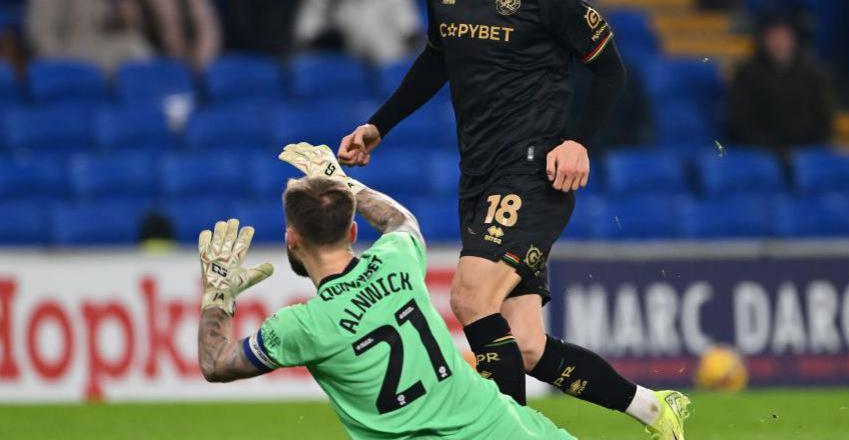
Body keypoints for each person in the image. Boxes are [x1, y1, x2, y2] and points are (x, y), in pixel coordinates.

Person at [337, 0, 689, 438]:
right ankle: (653, 409)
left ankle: (503, 434)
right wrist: (379, 126)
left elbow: (610, 70)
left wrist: (577, 140)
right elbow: (435, 62)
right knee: (524, 345)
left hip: (533, 172)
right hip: (478, 175)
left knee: (471, 296)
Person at [196, 143, 575, 440]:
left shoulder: (302, 326)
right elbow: (400, 219)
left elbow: (216, 364)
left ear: (292, 239)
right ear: (353, 232)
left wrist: (218, 294)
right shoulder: (397, 259)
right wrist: (348, 185)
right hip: (519, 433)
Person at [728, 12, 834, 153]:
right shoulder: (747, 74)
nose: (779, 43)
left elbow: (823, 117)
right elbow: (741, 119)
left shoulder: (812, 74)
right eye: (774, 38)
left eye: (784, 37)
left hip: (806, 148)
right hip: (760, 150)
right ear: (763, 40)